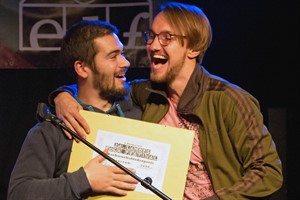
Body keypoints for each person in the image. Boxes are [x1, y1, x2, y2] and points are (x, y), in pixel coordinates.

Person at [49, 2, 283, 200]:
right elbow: (100, 86)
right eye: (151, 36)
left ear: (192, 48)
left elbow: (268, 171)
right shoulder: (148, 93)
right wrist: (63, 95)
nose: (152, 45)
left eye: (166, 37)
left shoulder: (229, 100)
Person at [7, 20, 141, 200]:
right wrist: (83, 180)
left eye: (122, 53)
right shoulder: (53, 130)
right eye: (113, 56)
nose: (125, 62)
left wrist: (61, 93)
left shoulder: (140, 108)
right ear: (82, 68)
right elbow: (19, 193)